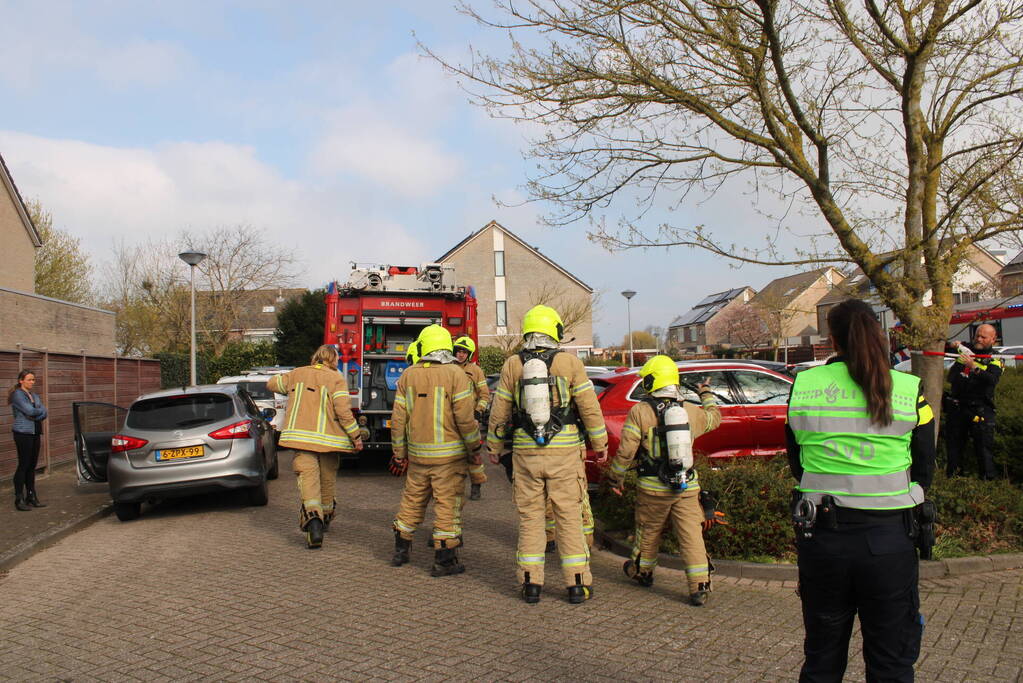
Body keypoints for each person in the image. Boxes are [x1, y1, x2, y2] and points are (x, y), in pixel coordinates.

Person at [787, 298, 935, 682]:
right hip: (889, 542)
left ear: (832, 339)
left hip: (822, 538)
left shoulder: (804, 385)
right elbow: (924, 467)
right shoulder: (908, 388)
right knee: (891, 663)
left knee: (822, 661)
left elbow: (797, 463)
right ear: (877, 331)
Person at [487, 304, 608, 604]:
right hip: (564, 452)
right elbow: (590, 409)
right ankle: (577, 584)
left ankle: (531, 584)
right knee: (568, 517)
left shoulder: (512, 364)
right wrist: (600, 444)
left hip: (526, 452)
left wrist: (494, 446)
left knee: (530, 519)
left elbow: (499, 411)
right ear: (555, 331)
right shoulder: (569, 364)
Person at [604, 355, 721, 605]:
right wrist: (706, 393)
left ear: (651, 381)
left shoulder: (640, 411)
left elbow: (626, 451)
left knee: (648, 532)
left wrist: (616, 478)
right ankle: (700, 585)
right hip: (687, 487)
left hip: (652, 489)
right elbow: (714, 419)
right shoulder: (689, 410)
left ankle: (642, 572)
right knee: (691, 535)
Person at [389, 324, 482, 576]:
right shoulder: (455, 374)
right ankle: (444, 560)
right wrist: (474, 445)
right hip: (449, 458)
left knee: (412, 501)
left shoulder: (408, 375)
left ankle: (400, 550)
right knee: (447, 506)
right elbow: (465, 418)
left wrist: (399, 453)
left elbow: (398, 419)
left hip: (418, 457)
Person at [268, 345, 363, 549]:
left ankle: (314, 523)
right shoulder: (336, 378)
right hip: (328, 443)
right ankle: (326, 516)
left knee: (308, 481)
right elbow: (344, 413)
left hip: (301, 440)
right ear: (334, 360)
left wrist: (290, 378)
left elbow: (271, 383)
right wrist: (356, 436)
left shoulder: (297, 374)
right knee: (327, 480)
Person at [945, 323, 1002, 480]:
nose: (979, 339)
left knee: (984, 451)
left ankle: (988, 484)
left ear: (993, 339)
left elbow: (992, 379)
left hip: (981, 409)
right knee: (954, 451)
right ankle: (954, 482)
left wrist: (973, 366)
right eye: (977, 335)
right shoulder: (965, 348)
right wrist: (953, 344)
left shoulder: (995, 358)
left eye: (983, 337)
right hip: (957, 407)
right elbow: (941, 347)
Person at [453, 335, 491, 500]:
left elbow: (484, 395)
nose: (460, 354)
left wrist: (477, 414)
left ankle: (476, 485)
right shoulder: (448, 368)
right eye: (458, 351)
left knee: (474, 455)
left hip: (470, 420)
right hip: (451, 420)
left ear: (469, 354)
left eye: (464, 352)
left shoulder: (476, 371)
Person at [9, 370, 48, 511]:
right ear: (21, 380)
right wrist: (37, 410)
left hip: (35, 432)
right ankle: (18, 499)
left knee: (32, 466)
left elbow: (45, 412)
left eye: (33, 380)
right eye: (29, 379)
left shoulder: (34, 395)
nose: (32, 382)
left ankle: (31, 496)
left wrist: (36, 411)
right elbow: (30, 411)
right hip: (23, 433)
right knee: (23, 465)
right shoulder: (17, 395)